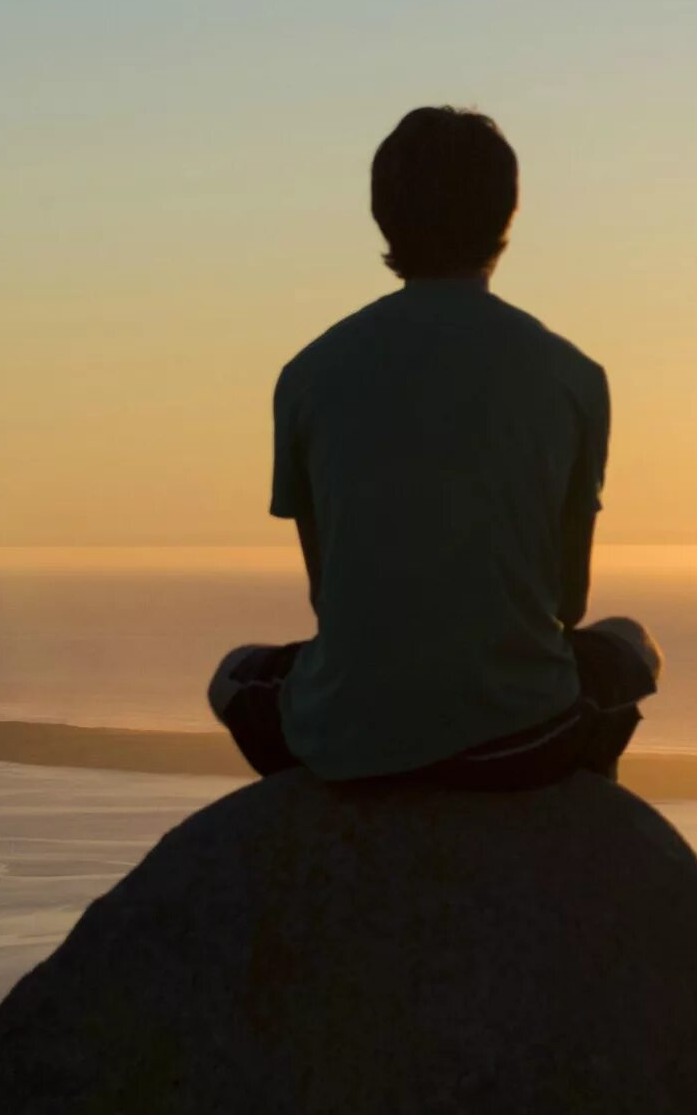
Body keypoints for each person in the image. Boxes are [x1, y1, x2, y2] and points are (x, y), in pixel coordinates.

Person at [208, 106, 661, 790]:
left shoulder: (307, 374)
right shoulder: (573, 376)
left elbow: (328, 593)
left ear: (382, 214)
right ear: (507, 214)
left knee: (235, 671)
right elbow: (569, 600)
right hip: (524, 738)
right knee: (631, 642)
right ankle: (579, 815)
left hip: (345, 739)